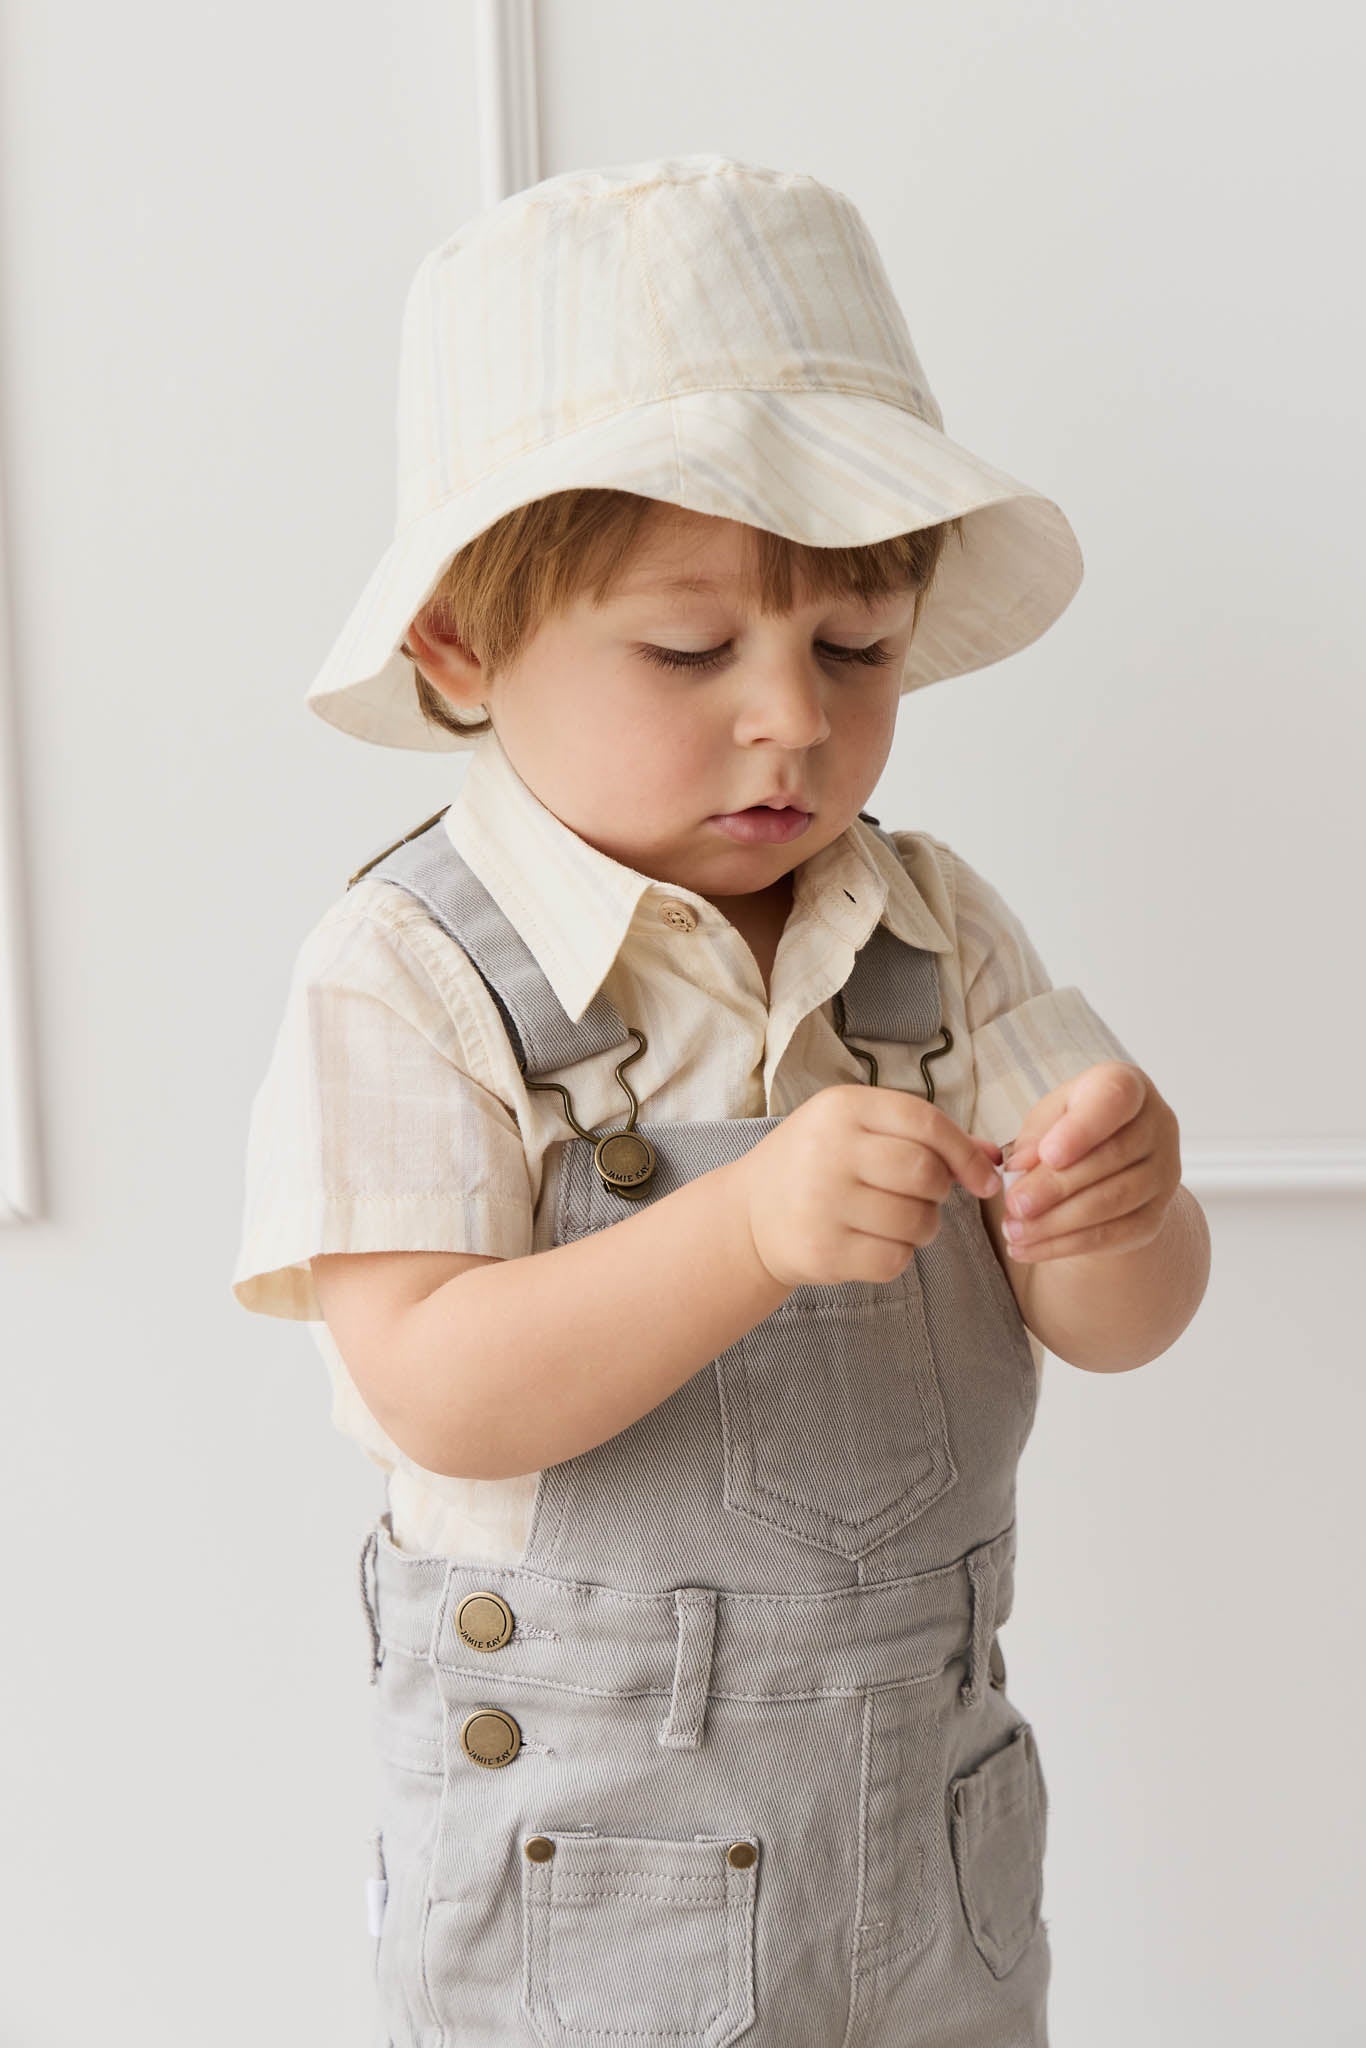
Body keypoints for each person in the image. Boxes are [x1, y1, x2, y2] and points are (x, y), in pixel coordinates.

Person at [232, 154, 1208, 2046]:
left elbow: (1116, 1329)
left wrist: (1120, 1218)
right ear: (460, 639)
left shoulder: (925, 924)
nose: (792, 716)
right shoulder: (413, 969)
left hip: (926, 1833)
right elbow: (437, 1379)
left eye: (855, 647)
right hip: (593, 1858)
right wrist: (742, 1232)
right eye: (689, 650)